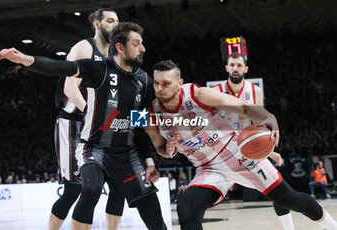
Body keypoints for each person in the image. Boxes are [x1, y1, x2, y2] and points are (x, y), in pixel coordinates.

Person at [0, 22, 166, 230]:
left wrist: (148, 161)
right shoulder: (99, 68)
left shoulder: (144, 81)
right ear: (120, 47)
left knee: (148, 203)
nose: (143, 49)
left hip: (127, 153)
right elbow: (60, 67)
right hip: (94, 148)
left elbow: (139, 128)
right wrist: (25, 59)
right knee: (91, 189)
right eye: (137, 43)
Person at [144, 60, 337, 230]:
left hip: (240, 154)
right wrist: (167, 150)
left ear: (180, 83)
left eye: (166, 84)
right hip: (208, 168)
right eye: (156, 83)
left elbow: (243, 107)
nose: (159, 88)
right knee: (186, 209)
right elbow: (159, 147)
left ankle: (331, 225)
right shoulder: (151, 114)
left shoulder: (198, 94)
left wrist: (268, 116)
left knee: (288, 198)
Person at [49, 8, 125, 230]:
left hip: (99, 127)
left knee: (118, 185)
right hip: (73, 124)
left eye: (118, 21)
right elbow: (70, 88)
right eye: (110, 21)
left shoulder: (116, 57)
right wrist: (95, 114)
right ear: (97, 24)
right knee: (73, 190)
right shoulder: (84, 47)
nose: (116, 25)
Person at [214, 52, 294, 230]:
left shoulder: (254, 91)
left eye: (239, 65)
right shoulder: (215, 92)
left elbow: (258, 126)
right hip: (221, 154)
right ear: (226, 68)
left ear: (246, 69)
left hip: (246, 149)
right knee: (197, 200)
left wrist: (269, 151)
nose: (235, 68)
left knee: (280, 193)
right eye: (232, 65)